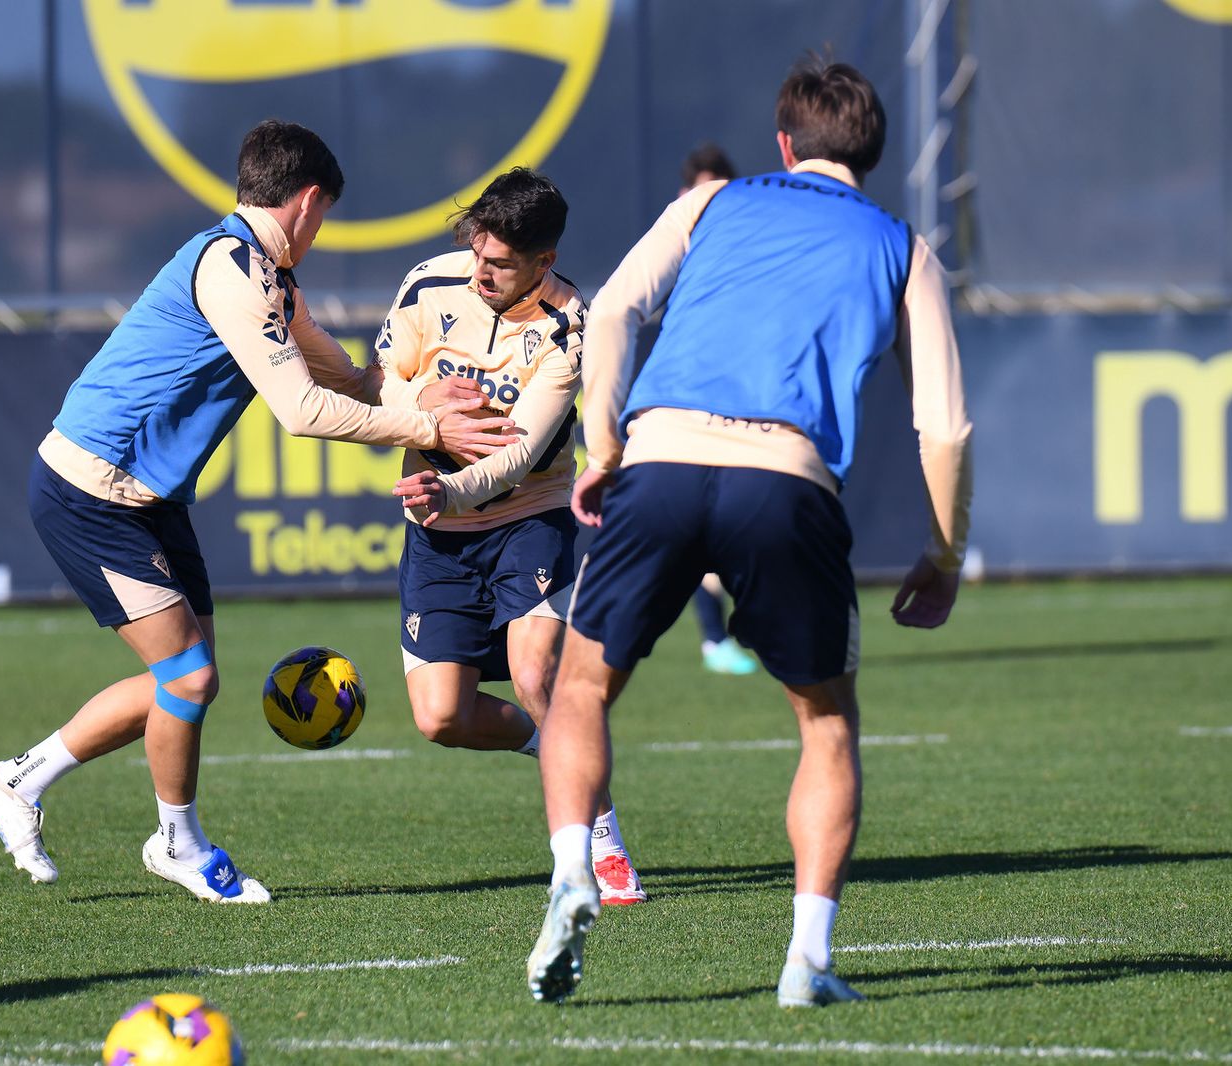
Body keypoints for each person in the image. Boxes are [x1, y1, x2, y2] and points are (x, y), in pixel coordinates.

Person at [0, 120, 511, 904]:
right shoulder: (233, 270)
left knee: (189, 681)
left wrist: (424, 393)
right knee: (185, 673)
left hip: (149, 497)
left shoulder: (269, 280)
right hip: (91, 487)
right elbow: (302, 411)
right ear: (310, 201)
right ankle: (177, 844)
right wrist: (430, 428)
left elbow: (351, 381)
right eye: (324, 217)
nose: (321, 232)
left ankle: (19, 780)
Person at [525, 55, 973, 1005]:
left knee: (581, 687)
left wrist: (601, 442)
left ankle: (573, 873)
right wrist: (943, 554)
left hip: (661, 459)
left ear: (783, 143)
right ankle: (807, 960)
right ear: (875, 153)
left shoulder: (713, 202)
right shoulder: (903, 245)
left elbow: (612, 311)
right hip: (788, 479)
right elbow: (945, 424)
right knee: (825, 723)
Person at [384, 168, 645, 906]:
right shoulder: (428, 285)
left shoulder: (570, 326)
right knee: (441, 717)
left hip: (527, 518)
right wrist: (420, 402)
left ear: (544, 263)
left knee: (539, 676)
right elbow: (380, 382)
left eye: (500, 263)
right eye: (477, 251)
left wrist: (451, 487)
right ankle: (555, 747)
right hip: (435, 533)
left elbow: (520, 456)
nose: (481, 271)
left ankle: (598, 835)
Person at [677, 144, 761, 678]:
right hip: (690, 404)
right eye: (700, 192)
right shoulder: (676, 247)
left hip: (744, 401)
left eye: (719, 192)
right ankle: (715, 638)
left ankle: (728, 630)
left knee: (736, 524)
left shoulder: (751, 250)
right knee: (701, 528)